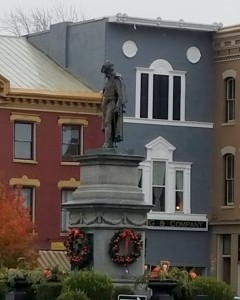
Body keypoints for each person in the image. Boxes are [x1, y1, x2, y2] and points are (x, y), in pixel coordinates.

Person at [101, 61, 127, 148]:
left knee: (108, 122)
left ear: (109, 70)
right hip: (105, 102)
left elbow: (120, 94)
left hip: (112, 102)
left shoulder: (116, 79)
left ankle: (107, 142)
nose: (105, 74)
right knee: (106, 123)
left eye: (105, 72)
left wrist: (117, 106)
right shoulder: (108, 80)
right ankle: (109, 141)